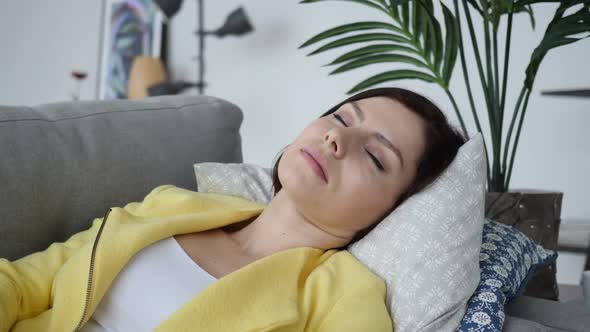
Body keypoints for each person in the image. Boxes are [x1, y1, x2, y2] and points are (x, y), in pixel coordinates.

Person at [0, 87, 466, 332]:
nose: (337, 138)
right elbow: (21, 283)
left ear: (394, 211)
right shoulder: (171, 204)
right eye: (342, 117)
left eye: (376, 156)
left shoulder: (345, 297)